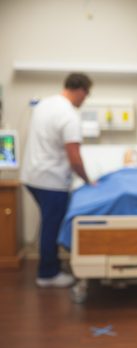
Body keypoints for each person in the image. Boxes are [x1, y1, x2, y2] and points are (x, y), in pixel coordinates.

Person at [21, 73, 93, 288]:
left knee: (48, 223)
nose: (84, 100)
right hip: (51, 180)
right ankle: (47, 274)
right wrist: (88, 181)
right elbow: (75, 159)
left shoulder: (45, 104)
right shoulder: (69, 115)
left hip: (32, 176)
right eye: (86, 95)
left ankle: (50, 265)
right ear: (80, 90)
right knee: (52, 226)